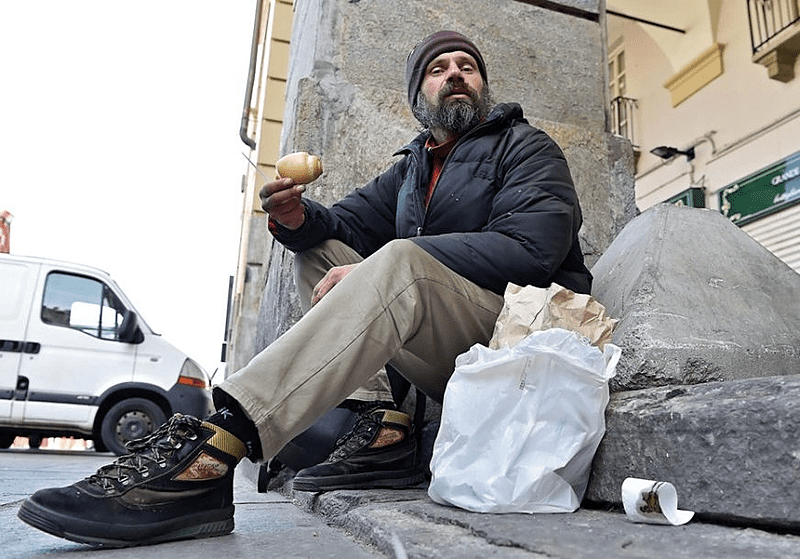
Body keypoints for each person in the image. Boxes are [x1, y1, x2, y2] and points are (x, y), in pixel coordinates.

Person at [17, 30, 592, 547]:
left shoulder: (525, 147)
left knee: (398, 263)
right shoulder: (412, 170)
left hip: (515, 345)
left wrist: (384, 267)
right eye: (439, 68)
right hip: (454, 355)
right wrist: (294, 217)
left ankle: (219, 443)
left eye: (467, 65)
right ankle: (383, 430)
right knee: (320, 251)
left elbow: (533, 250)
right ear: (420, 97)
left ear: (483, 85)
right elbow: (338, 228)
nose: (456, 74)